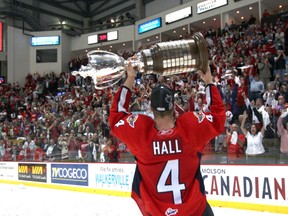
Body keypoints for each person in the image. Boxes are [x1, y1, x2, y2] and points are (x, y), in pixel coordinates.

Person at [109, 62, 225, 216]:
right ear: (173, 107)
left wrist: (130, 78)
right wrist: (208, 81)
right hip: (196, 211)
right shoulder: (190, 128)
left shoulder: (140, 134)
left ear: (151, 108)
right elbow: (217, 116)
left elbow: (116, 117)